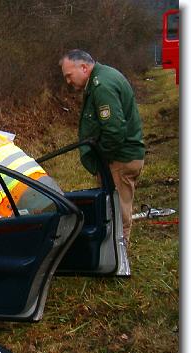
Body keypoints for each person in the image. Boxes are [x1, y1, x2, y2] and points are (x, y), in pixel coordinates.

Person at [59, 49, 145, 247]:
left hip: (120, 160)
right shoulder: (104, 77)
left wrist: (102, 158)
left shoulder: (102, 86)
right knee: (115, 209)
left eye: (69, 75)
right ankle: (114, 253)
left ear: (83, 67)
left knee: (117, 214)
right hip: (122, 156)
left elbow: (114, 131)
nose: (68, 81)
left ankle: (119, 257)